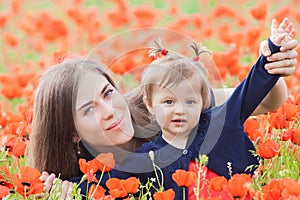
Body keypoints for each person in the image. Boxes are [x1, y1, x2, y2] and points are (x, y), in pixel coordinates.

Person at [27, 20, 297, 199]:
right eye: (89, 109)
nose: (110, 110)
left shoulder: (176, 106)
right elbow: (99, 186)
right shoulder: (129, 167)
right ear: (72, 133)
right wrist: (59, 190)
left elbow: (256, 99)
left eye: (108, 93)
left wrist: (272, 61)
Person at [106, 17, 296, 199]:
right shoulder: (146, 158)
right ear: (149, 105)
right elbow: (104, 183)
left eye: (190, 102)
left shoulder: (221, 123)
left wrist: (273, 50)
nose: (180, 110)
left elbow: (251, 88)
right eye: (169, 102)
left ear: (203, 102)